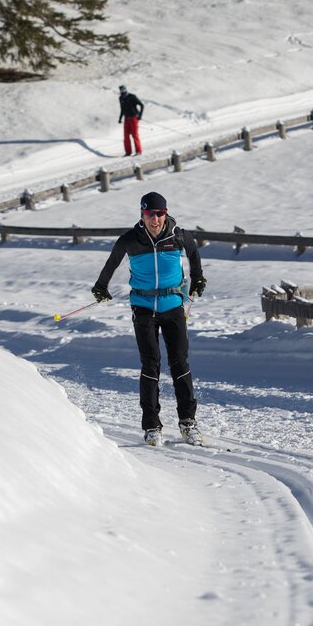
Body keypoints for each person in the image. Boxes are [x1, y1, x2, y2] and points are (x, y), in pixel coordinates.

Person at [93, 191, 207, 446]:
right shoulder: (130, 240)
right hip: (143, 307)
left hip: (173, 306)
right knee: (151, 364)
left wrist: (197, 278)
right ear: (142, 214)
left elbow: (194, 254)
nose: (155, 219)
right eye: (150, 214)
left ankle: (188, 422)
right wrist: (101, 286)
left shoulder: (178, 235)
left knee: (179, 362)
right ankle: (152, 426)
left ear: (165, 213)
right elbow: (111, 264)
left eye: (160, 213)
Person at [117, 85, 144, 157]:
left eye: (123, 89)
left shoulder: (132, 96)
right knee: (126, 136)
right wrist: (120, 118)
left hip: (134, 118)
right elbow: (122, 109)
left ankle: (138, 151)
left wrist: (140, 115)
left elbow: (141, 105)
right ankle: (128, 152)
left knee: (134, 135)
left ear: (126, 89)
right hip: (126, 118)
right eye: (121, 90)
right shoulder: (121, 98)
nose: (122, 91)